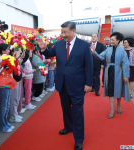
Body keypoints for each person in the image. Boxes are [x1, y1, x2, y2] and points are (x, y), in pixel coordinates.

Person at [38, 21, 93, 150]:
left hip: (78, 84)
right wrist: (43, 49)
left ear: (73, 31)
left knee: (77, 111)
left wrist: (89, 84)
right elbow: (50, 54)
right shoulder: (59, 44)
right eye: (62, 32)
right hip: (62, 84)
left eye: (65, 32)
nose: (63, 35)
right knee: (65, 108)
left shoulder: (84, 45)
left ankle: (79, 139)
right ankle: (68, 127)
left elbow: (89, 66)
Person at [90, 32, 130, 119]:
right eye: (110, 39)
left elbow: (126, 64)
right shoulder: (108, 49)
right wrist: (94, 52)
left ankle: (118, 105)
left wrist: (126, 75)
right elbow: (100, 57)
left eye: (112, 39)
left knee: (119, 90)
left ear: (118, 40)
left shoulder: (122, 50)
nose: (110, 41)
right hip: (109, 72)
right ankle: (112, 109)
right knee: (110, 90)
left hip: (119, 72)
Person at [0, 43, 14, 133]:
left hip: (8, 83)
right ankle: (1, 126)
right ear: (3, 51)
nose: (9, 51)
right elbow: (5, 70)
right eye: (7, 49)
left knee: (7, 105)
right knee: (3, 106)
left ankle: (5, 123)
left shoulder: (6, 57)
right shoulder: (1, 58)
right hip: (3, 85)